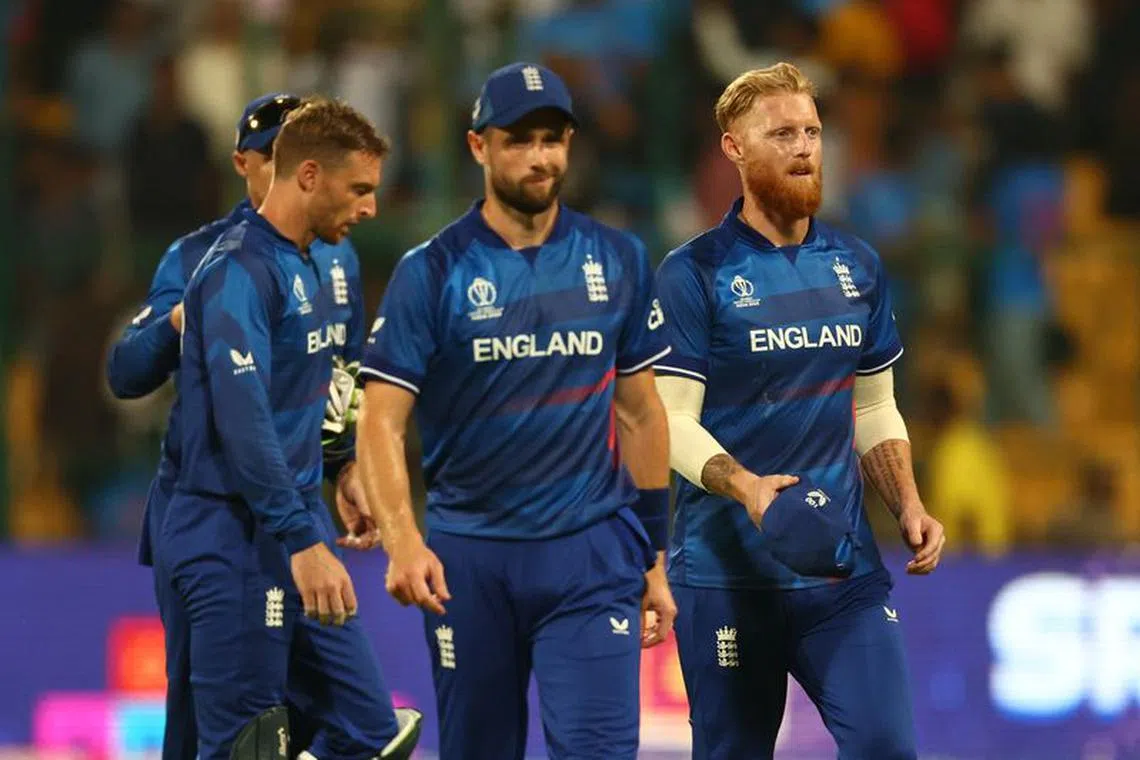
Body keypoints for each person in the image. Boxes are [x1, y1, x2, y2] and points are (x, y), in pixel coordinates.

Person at [354, 62, 677, 760]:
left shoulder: (618, 258)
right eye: (519, 140)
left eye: (553, 139)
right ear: (479, 148)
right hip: (470, 562)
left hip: (590, 555)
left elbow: (643, 415)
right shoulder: (431, 272)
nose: (540, 157)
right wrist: (403, 540)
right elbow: (379, 420)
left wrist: (653, 556)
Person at [652, 62, 946, 759]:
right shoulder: (693, 274)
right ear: (734, 148)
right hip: (727, 577)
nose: (804, 146)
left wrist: (906, 501)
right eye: (781, 132)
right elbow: (671, 421)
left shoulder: (859, 267)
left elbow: (874, 406)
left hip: (840, 571)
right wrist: (747, 486)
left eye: (812, 131)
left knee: (887, 748)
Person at [158, 98, 419, 760]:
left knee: (367, 732)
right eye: (359, 190)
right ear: (307, 175)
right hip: (229, 531)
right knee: (242, 745)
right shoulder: (234, 271)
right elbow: (240, 417)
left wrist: (345, 464)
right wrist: (303, 539)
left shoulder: (326, 261)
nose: (370, 209)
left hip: (289, 517)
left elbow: (340, 373)